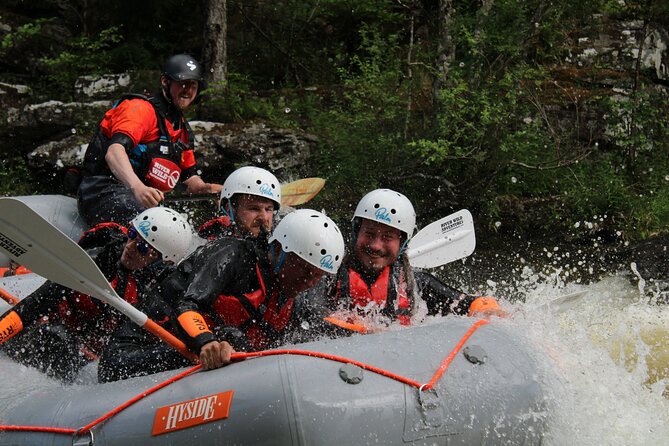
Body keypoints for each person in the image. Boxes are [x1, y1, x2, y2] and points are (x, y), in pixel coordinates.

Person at [98, 209, 345, 382]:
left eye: (318, 276)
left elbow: (316, 327)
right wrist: (207, 343)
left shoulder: (289, 295)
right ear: (279, 250)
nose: (309, 282)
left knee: (234, 341)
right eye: (304, 270)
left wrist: (366, 334)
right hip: (128, 357)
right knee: (231, 337)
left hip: (187, 358)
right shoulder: (232, 254)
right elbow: (186, 307)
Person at [0, 207, 193, 382]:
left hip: (94, 356)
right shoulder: (99, 258)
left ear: (161, 262)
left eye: (143, 248)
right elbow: (34, 305)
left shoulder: (157, 292)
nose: (130, 246)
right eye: (133, 234)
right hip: (48, 331)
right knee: (59, 339)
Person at [294, 189, 504, 339]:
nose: (376, 245)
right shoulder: (327, 276)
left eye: (387, 237)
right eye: (369, 233)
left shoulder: (414, 285)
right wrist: (367, 332)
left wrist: (488, 310)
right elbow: (312, 315)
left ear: (402, 244)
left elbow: (467, 303)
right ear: (355, 233)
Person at [77, 53, 222, 226]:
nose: (188, 90)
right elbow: (114, 152)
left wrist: (211, 190)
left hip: (138, 199)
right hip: (101, 190)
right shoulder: (140, 109)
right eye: (182, 83)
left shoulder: (181, 129)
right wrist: (138, 188)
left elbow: (190, 180)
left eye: (193, 85)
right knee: (154, 224)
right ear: (165, 82)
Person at [197, 166, 282, 240]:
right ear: (230, 210)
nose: (264, 217)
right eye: (254, 209)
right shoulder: (215, 233)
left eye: (268, 209)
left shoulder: (281, 240)